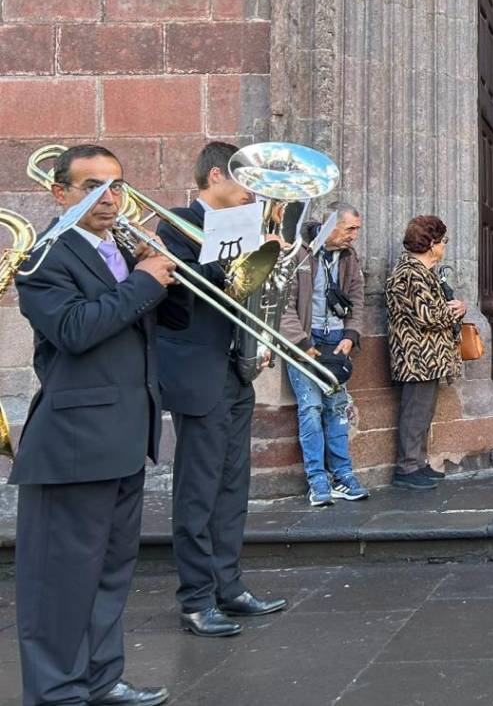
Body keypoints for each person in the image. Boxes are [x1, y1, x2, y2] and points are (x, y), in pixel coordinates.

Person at [13, 145, 176, 706]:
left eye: (115, 185)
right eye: (92, 186)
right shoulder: (46, 259)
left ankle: (101, 679)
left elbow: (151, 322)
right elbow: (76, 330)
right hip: (75, 443)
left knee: (109, 573)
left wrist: (178, 277)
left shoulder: (123, 251)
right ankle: (57, 692)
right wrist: (144, 283)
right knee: (60, 581)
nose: (109, 197)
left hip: (126, 436)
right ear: (60, 193)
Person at [158, 141, 287, 638]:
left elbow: (254, 297)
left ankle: (229, 587)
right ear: (216, 176)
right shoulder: (174, 224)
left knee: (233, 488)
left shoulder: (248, 226)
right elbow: (195, 290)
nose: (251, 193)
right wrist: (244, 263)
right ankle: (195, 598)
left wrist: (263, 335)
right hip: (199, 373)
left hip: (237, 370)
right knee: (198, 490)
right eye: (244, 182)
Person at [278, 203, 370, 507]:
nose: (355, 236)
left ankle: (344, 475)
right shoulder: (298, 252)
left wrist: (351, 335)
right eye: (350, 229)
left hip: (336, 340)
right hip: (306, 340)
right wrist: (301, 343)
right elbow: (283, 305)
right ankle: (317, 480)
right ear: (330, 225)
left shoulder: (349, 257)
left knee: (336, 408)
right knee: (311, 408)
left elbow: (357, 298)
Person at [385, 215, 465, 490]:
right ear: (431, 243)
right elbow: (427, 315)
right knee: (414, 412)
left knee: (422, 411)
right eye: (443, 241)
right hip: (416, 355)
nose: (444, 246)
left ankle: (418, 463)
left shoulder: (422, 272)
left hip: (427, 356)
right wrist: (455, 310)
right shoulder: (410, 273)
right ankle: (407, 467)